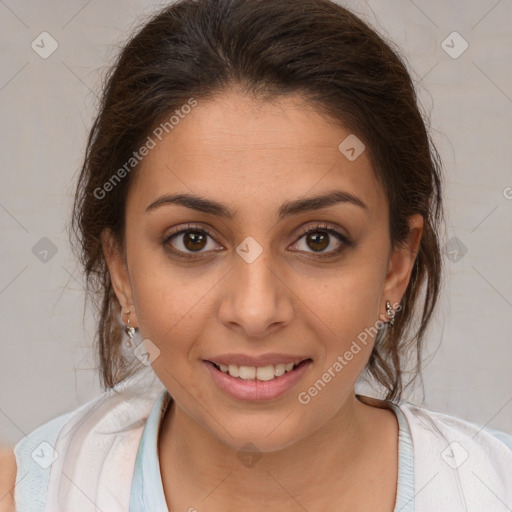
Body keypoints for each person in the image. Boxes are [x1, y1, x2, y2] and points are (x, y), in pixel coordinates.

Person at [3, 0, 512, 510]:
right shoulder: (28, 494)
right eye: (193, 240)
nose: (255, 311)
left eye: (319, 239)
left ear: (396, 266)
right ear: (121, 272)